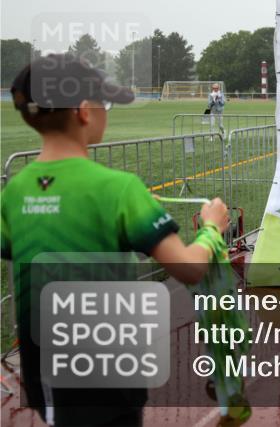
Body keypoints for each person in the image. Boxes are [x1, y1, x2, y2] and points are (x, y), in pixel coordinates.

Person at [1, 54, 230, 427]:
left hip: (42, 374)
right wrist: (211, 227)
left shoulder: (14, 193)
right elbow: (189, 268)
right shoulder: (119, 189)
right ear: (82, 111)